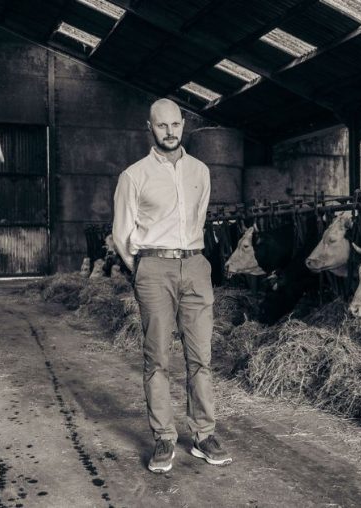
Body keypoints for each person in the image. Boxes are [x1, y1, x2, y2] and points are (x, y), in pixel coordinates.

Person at [112, 98, 231, 473]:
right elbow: (121, 234)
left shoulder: (200, 171)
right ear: (150, 127)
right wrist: (143, 270)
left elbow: (199, 219)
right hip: (154, 267)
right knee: (157, 358)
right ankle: (164, 438)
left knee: (201, 357)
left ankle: (203, 434)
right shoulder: (134, 176)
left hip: (195, 264)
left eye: (175, 124)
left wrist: (190, 259)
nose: (169, 131)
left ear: (183, 124)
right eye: (161, 125)